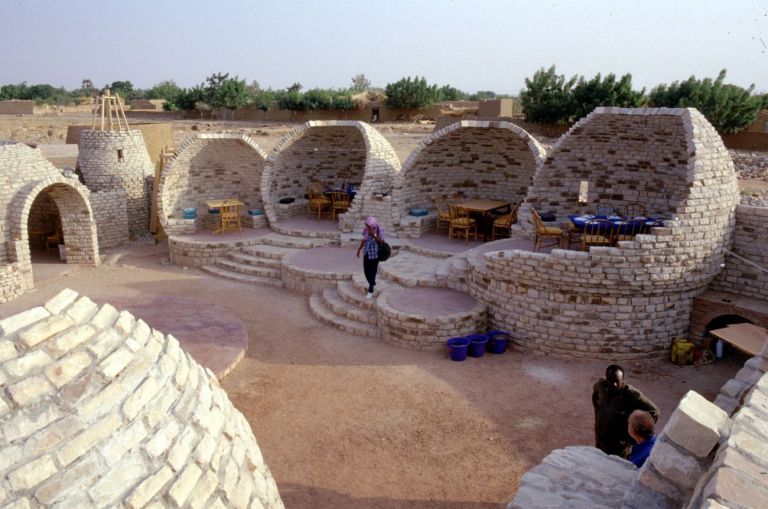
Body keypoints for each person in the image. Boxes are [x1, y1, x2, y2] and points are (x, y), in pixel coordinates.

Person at [592, 364, 659, 459]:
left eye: (617, 381)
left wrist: (633, 432)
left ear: (623, 379)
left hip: (619, 446)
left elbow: (654, 411)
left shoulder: (631, 395)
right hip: (601, 439)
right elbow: (595, 395)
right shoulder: (601, 386)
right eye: (611, 381)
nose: (614, 384)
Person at [356, 217, 384, 299]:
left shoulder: (379, 230)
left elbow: (381, 241)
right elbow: (363, 240)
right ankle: (372, 282)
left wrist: (373, 234)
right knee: (366, 270)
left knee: (373, 272)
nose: (367, 227)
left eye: (369, 226)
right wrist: (359, 249)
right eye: (367, 225)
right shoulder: (366, 230)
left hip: (375, 255)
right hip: (367, 253)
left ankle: (370, 289)